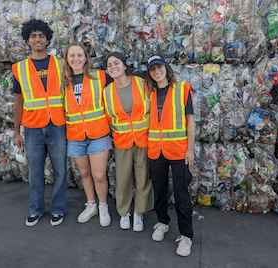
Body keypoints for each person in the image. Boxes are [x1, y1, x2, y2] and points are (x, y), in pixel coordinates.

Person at [13, 19, 67, 227]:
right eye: (33, 36)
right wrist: (17, 132)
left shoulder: (60, 64)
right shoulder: (20, 69)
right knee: (35, 171)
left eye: (41, 36)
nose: (37, 39)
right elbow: (19, 102)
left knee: (60, 171)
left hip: (57, 126)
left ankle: (58, 209)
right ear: (27, 40)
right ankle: (36, 209)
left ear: (47, 39)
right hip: (33, 128)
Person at [144, 54, 195, 257]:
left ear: (166, 67)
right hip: (156, 151)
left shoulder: (182, 89)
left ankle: (186, 235)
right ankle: (162, 222)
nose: (157, 72)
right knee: (159, 189)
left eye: (159, 67)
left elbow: (190, 121)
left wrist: (190, 150)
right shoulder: (150, 93)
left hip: (178, 150)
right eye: (152, 69)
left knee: (182, 194)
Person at [62, 42, 112, 227]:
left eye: (79, 55)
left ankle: (103, 205)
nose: (76, 59)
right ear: (67, 59)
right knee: (84, 174)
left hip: (98, 134)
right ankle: (91, 205)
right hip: (75, 136)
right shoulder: (63, 83)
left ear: (86, 58)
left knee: (98, 175)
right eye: (72, 56)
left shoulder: (100, 77)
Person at [103, 52, 153, 232]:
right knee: (123, 178)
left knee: (142, 177)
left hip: (143, 139)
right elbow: (109, 117)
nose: (113, 67)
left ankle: (139, 212)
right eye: (109, 65)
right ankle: (124, 213)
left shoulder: (141, 84)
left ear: (125, 66)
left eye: (116, 63)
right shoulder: (106, 92)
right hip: (122, 141)